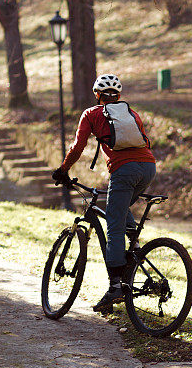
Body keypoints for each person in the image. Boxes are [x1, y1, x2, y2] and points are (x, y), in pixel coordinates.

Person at [52, 74, 156, 313]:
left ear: (97, 95)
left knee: (114, 224)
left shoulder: (91, 114)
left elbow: (78, 146)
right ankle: (133, 248)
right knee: (119, 211)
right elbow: (145, 143)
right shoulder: (132, 114)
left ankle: (115, 287)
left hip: (124, 170)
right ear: (118, 96)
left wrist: (63, 170)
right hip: (149, 168)